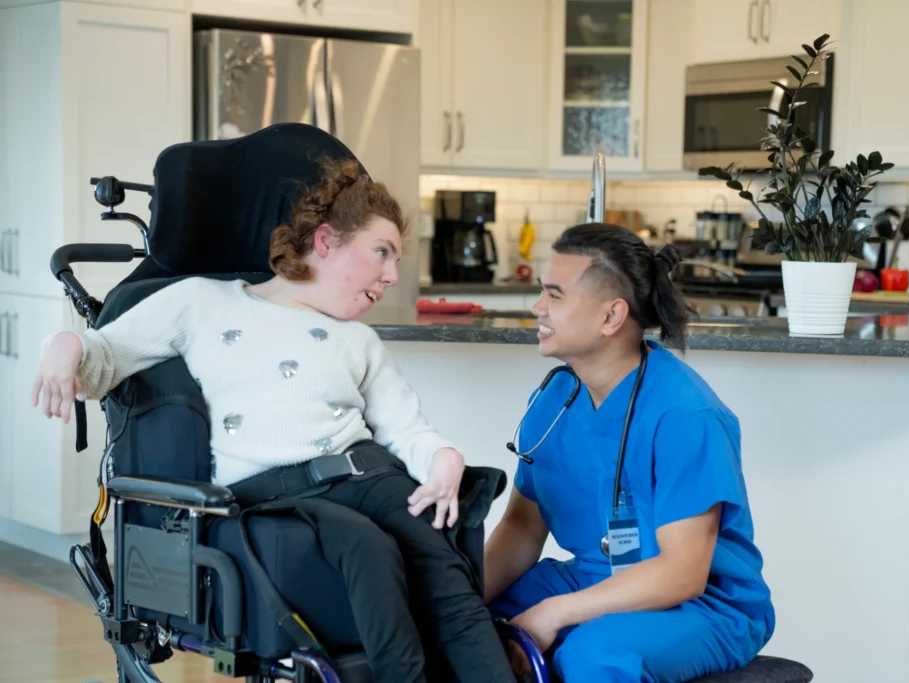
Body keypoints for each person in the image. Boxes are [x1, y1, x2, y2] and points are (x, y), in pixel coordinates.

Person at [31, 157, 517, 683]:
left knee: (446, 570)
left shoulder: (360, 341)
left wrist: (443, 458)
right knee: (367, 548)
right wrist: (64, 344)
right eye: (382, 253)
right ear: (327, 242)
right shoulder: (202, 303)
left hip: (369, 474)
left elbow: (407, 429)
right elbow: (107, 355)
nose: (393, 276)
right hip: (277, 491)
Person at [483, 223, 776, 682]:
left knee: (592, 656)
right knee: (460, 626)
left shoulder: (684, 414)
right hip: (594, 577)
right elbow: (521, 528)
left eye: (554, 296)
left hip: (703, 604)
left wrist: (553, 613)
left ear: (611, 317)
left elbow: (682, 574)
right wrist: (453, 601)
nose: (537, 308)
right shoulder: (554, 400)